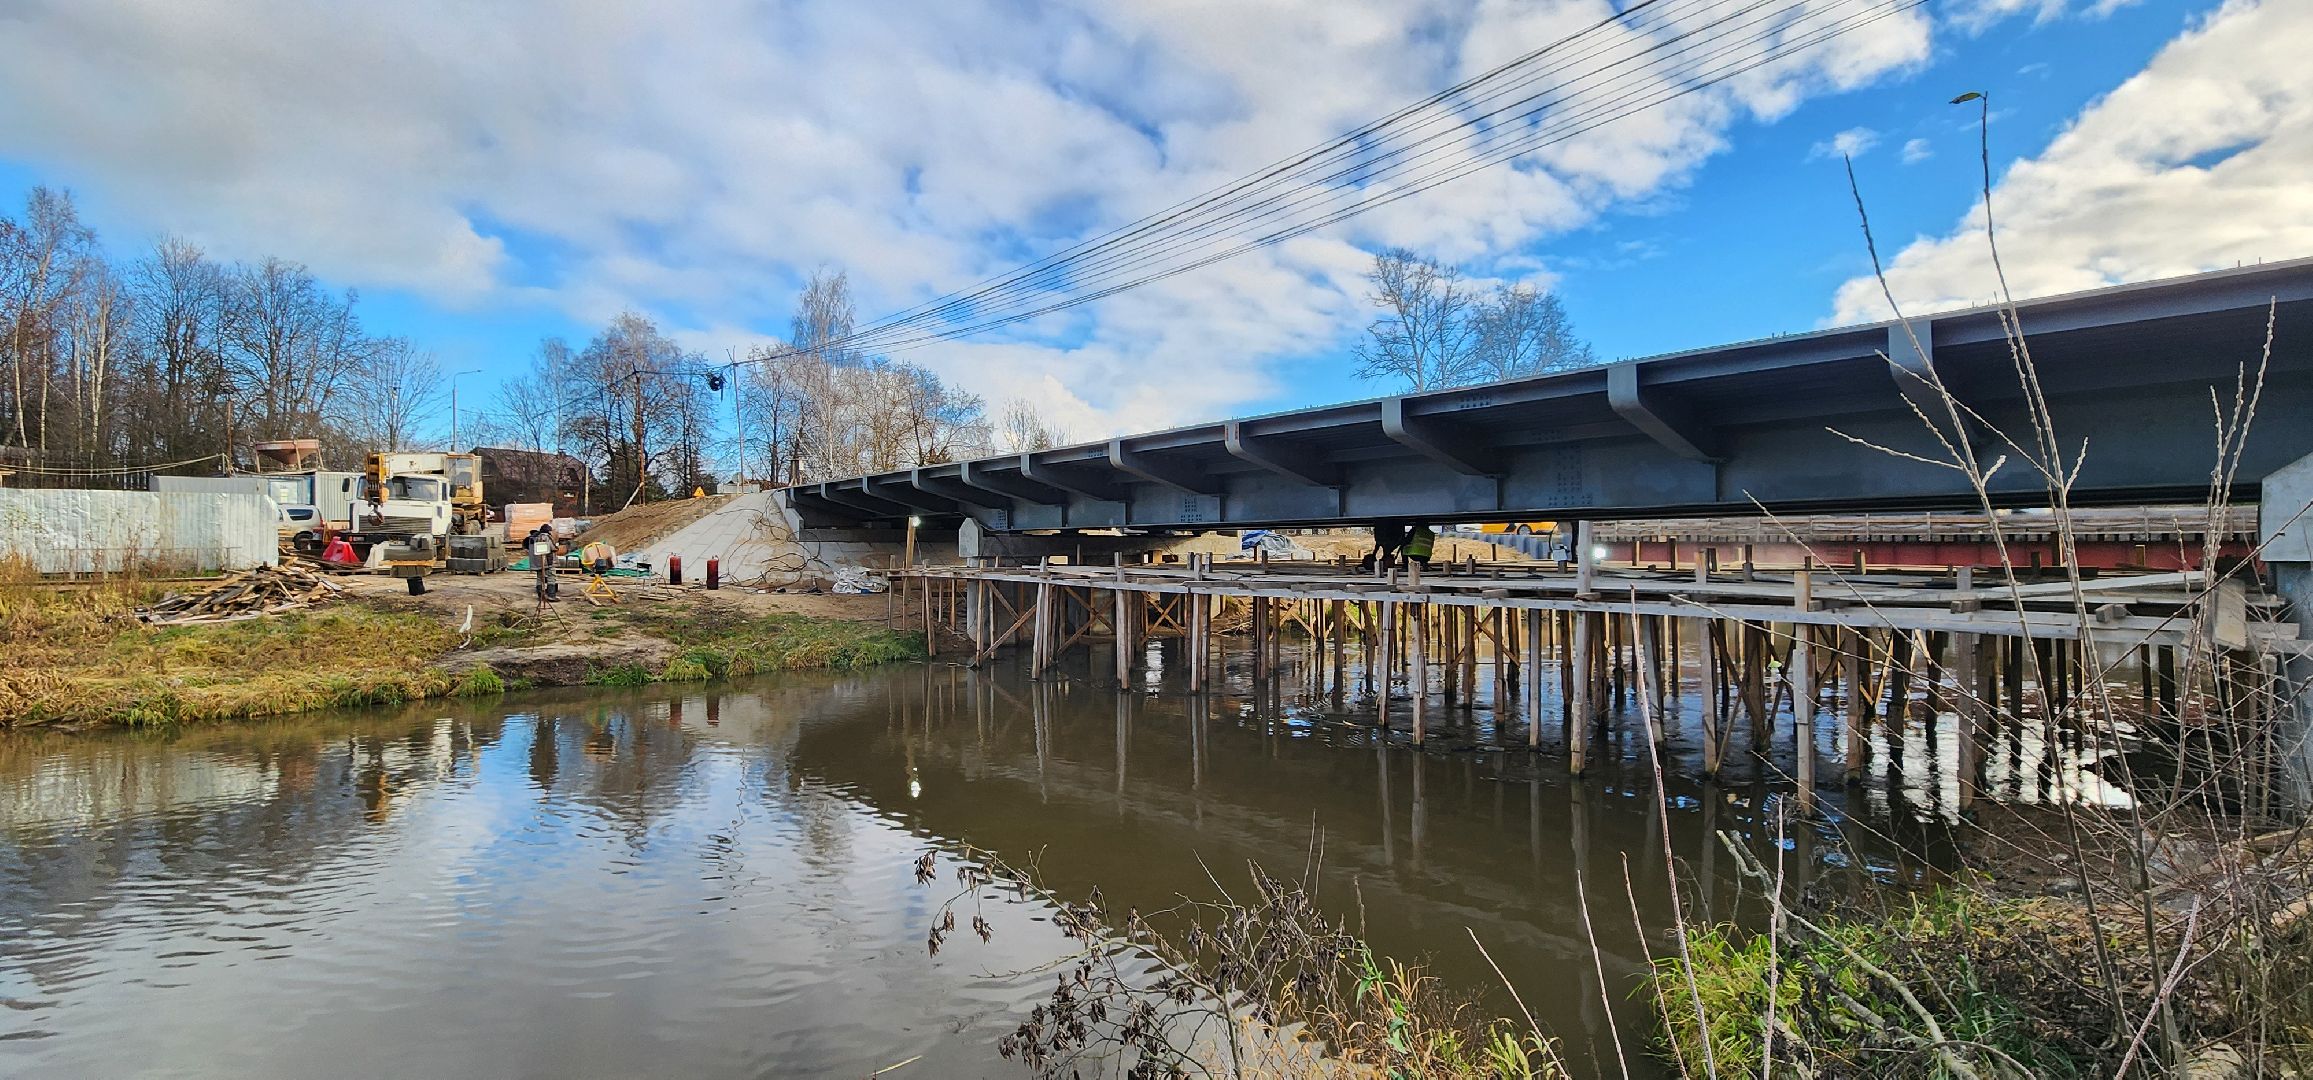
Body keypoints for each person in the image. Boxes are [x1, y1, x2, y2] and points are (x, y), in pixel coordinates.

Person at [526, 526, 561, 602]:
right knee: (551, 576)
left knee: (540, 578)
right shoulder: (546, 537)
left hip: (537, 562)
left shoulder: (533, 537)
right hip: (547, 561)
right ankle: (551, 595)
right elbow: (552, 548)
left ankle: (541, 595)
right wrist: (556, 546)